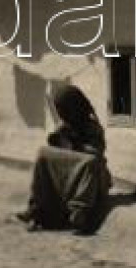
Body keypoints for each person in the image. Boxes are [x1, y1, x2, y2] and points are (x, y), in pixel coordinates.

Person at [16, 82, 111, 234]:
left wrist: (76, 141)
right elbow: (61, 150)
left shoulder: (93, 127)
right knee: (43, 153)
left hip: (94, 178)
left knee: (90, 162)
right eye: (59, 110)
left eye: (64, 109)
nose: (62, 114)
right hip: (70, 175)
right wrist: (58, 139)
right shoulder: (65, 125)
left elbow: (96, 154)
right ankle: (36, 207)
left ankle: (79, 211)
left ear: (74, 107)